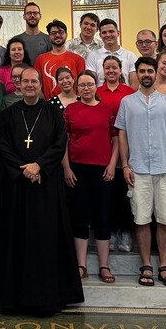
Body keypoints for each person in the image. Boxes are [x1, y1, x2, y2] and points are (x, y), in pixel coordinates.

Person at [0, 67, 84, 313]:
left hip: (46, 185)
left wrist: (39, 166)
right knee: (18, 240)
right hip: (18, 187)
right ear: (19, 85)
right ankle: (15, 299)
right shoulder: (9, 114)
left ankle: (49, 298)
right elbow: (2, 145)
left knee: (47, 239)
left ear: (41, 84)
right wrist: (23, 169)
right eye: (25, 81)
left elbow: (60, 144)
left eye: (34, 81)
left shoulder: (53, 112)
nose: (30, 85)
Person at [116, 56, 166, 288]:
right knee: (141, 219)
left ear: (156, 73)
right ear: (136, 74)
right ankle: (146, 265)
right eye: (142, 71)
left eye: (150, 71)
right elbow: (121, 134)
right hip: (138, 169)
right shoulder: (127, 102)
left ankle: (164, 265)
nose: (146, 74)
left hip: (165, 168)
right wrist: (125, 165)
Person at [63, 71, 118, 284]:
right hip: (77, 170)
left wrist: (113, 164)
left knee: (103, 216)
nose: (87, 88)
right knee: (80, 217)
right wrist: (66, 168)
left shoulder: (107, 110)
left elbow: (116, 140)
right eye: (83, 85)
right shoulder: (71, 110)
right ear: (77, 88)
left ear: (97, 86)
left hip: (102, 170)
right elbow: (64, 142)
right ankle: (81, 264)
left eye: (90, 84)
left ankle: (104, 266)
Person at [96, 56, 136, 254]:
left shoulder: (130, 93)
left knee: (125, 192)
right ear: (103, 70)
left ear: (121, 70)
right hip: (104, 148)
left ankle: (126, 231)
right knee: (107, 193)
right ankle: (110, 231)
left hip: (127, 147)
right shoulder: (96, 92)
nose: (111, 70)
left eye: (114, 67)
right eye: (107, 67)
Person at [35, 19, 87, 100]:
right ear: (49, 36)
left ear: (66, 34)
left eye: (61, 32)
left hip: (73, 105)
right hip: (48, 106)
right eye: (53, 33)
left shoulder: (78, 59)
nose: (57, 35)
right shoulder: (40, 60)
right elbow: (37, 85)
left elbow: (82, 84)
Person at [85, 19, 138, 86]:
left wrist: (127, 97)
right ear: (100, 35)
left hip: (126, 96)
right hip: (100, 96)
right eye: (104, 32)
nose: (108, 35)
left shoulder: (130, 56)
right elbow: (91, 83)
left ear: (118, 33)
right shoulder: (93, 56)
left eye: (111, 31)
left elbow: (135, 83)